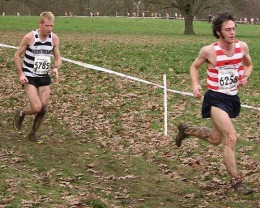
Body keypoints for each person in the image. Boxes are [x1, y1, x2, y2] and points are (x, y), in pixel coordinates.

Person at [175, 12, 254, 195]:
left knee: (214, 139)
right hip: (215, 98)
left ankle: (185, 130)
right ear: (219, 32)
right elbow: (194, 67)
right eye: (228, 29)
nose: (232, 32)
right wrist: (195, 84)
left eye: (234, 28)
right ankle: (237, 182)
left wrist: (245, 77)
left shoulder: (242, 47)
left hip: (232, 98)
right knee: (231, 137)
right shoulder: (209, 51)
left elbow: (248, 65)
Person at [14, 11, 62, 143]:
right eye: (47, 25)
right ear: (40, 24)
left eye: (51, 26)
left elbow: (58, 58)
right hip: (29, 75)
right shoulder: (30, 37)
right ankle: (21, 113)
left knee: (44, 106)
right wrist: (21, 74)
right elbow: (17, 55)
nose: (49, 28)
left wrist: (56, 68)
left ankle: (33, 133)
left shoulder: (54, 39)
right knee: (36, 107)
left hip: (43, 76)